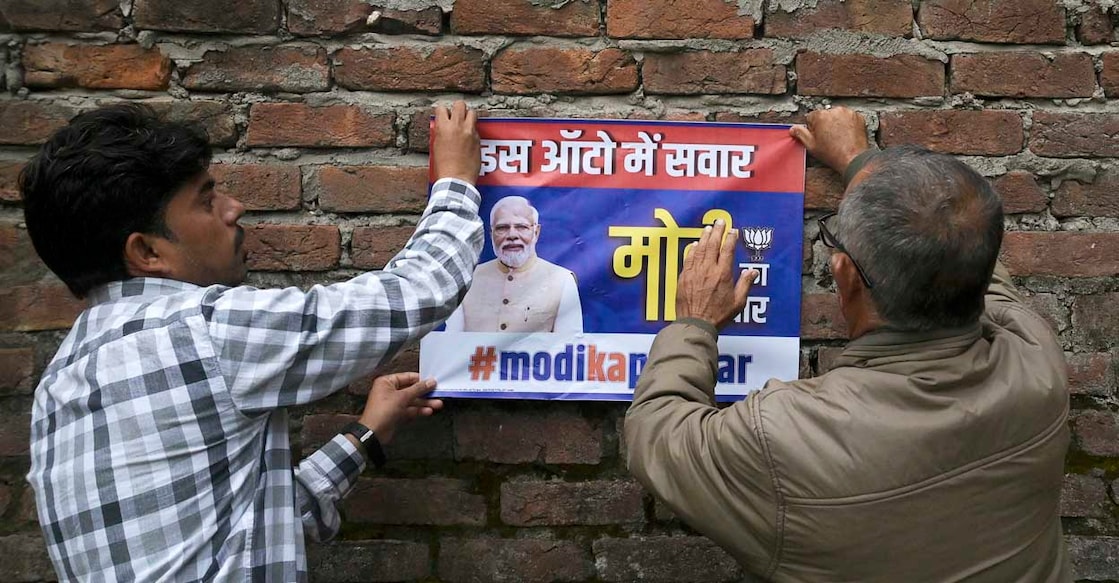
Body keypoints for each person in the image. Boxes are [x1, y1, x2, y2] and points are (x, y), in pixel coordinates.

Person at [22, 101, 483, 581]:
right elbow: (420, 291)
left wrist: (362, 438)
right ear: (147, 251)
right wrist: (455, 178)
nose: (233, 208)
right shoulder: (201, 331)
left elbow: (244, 530)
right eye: (205, 200)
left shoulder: (60, 382)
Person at [624, 107, 1070, 581]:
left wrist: (694, 321)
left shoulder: (783, 436)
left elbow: (657, 431)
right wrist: (860, 161)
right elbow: (964, 253)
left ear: (845, 277)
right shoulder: (1036, 362)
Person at [444, 195, 583, 334]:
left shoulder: (562, 280)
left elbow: (569, 348)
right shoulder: (466, 279)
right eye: (502, 228)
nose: (512, 235)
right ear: (491, 233)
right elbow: (451, 344)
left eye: (521, 227)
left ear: (536, 232)